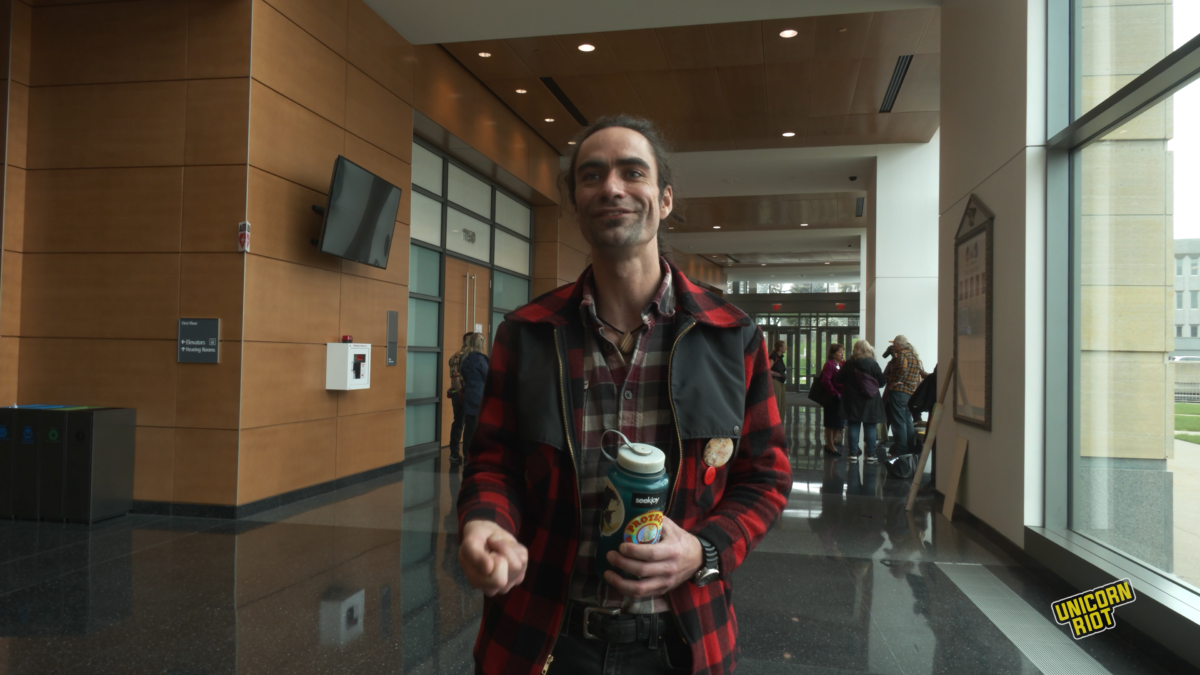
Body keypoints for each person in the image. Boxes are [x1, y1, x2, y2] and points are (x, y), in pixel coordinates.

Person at [456, 115, 792, 675]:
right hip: (543, 637)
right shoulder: (528, 334)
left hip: (683, 642)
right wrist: (487, 522)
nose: (611, 187)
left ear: (665, 199)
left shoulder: (730, 336)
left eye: (632, 172)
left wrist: (703, 550)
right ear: (576, 204)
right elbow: (493, 463)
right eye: (591, 176)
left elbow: (766, 476)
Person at [836, 339, 886, 464]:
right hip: (870, 401)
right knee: (870, 426)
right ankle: (871, 454)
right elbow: (882, 382)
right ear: (868, 349)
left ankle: (853, 453)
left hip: (852, 400)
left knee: (853, 425)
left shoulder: (849, 364)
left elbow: (838, 379)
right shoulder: (873, 364)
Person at [883, 335, 925, 457]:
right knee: (908, 421)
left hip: (899, 392)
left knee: (898, 422)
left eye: (894, 344)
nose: (893, 346)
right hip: (910, 393)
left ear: (898, 344)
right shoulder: (914, 356)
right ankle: (910, 449)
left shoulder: (902, 354)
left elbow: (902, 367)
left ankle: (901, 450)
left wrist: (894, 382)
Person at [458, 332, 489, 459]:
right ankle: (479, 455)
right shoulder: (482, 360)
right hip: (481, 396)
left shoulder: (463, 359)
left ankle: (467, 455)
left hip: (470, 395)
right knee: (481, 428)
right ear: (481, 344)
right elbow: (488, 378)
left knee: (469, 427)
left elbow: (464, 377)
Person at [447, 332, 473, 462]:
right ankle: (460, 454)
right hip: (463, 393)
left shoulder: (458, 356)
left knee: (462, 423)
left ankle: (458, 453)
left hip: (461, 394)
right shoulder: (464, 356)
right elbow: (456, 376)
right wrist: (461, 392)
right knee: (464, 423)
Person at [820, 343, 845, 455]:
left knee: (839, 423)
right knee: (830, 422)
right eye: (839, 352)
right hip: (832, 397)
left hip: (840, 397)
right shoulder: (829, 364)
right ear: (833, 354)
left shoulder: (841, 364)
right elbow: (825, 380)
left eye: (842, 352)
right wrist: (834, 393)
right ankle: (830, 445)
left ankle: (831, 444)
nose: (842, 354)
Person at [768, 340, 788, 421]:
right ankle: (775, 423)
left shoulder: (780, 358)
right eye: (784, 346)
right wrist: (777, 374)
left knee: (781, 405)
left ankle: (779, 423)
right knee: (777, 404)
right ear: (780, 348)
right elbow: (767, 369)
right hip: (775, 382)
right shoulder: (774, 356)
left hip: (781, 383)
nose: (786, 348)